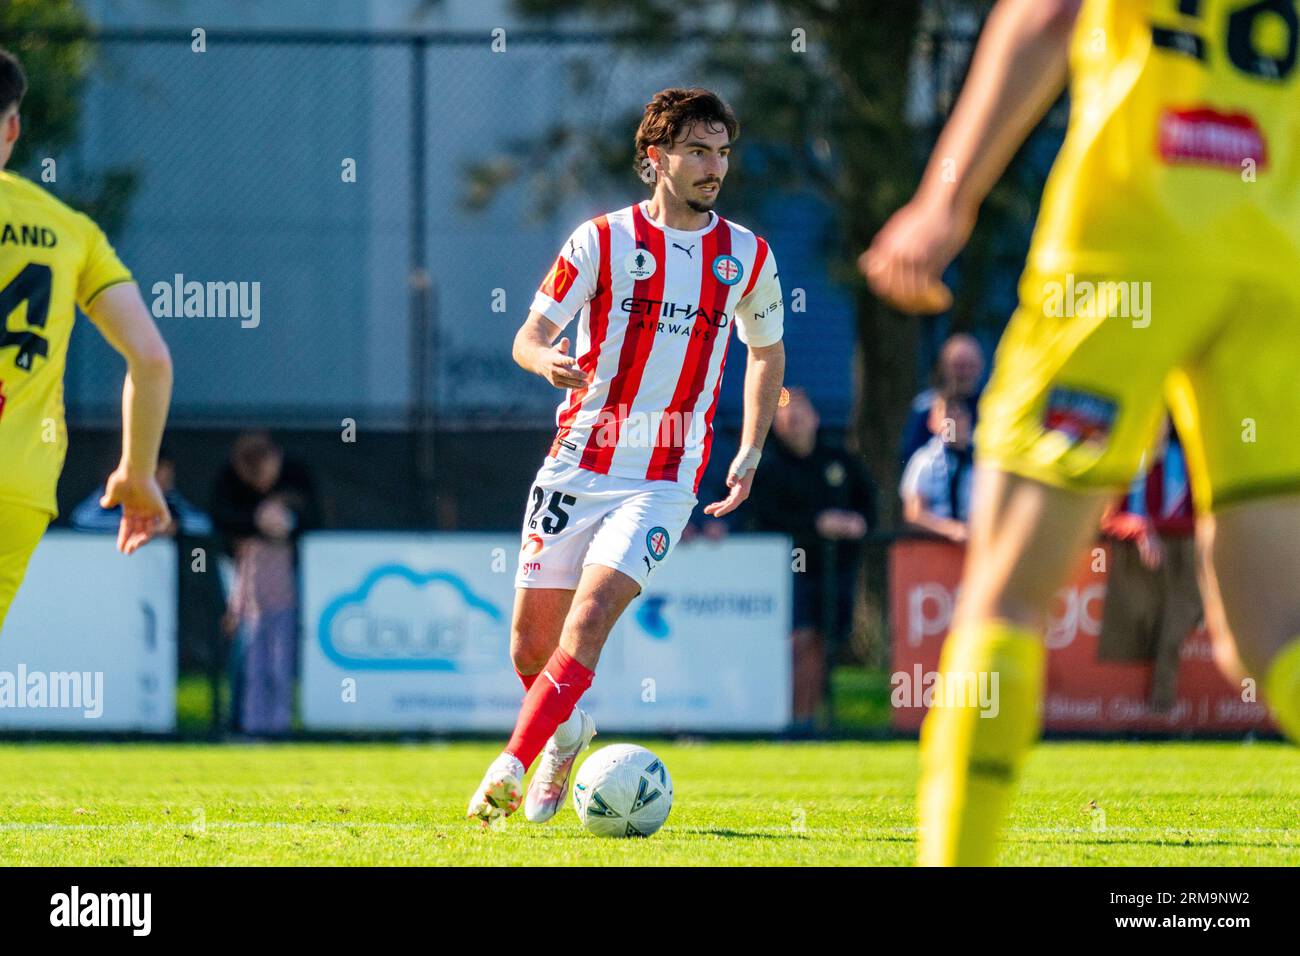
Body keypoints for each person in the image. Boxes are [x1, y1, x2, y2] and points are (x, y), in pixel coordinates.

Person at [863, 0, 1300, 865]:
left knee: (1007, 600)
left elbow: (1049, 11)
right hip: (1274, 256)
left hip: (1124, 247)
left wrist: (943, 199)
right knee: (1278, 637)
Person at [467, 87, 786, 825]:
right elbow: (528, 335)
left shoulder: (747, 255)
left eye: (723, 152)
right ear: (656, 159)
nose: (715, 166)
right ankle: (566, 732)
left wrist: (750, 448)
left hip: (665, 476)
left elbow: (767, 353)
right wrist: (543, 359)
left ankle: (511, 766)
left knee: (590, 619)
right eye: (699, 151)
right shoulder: (600, 241)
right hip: (577, 462)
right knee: (528, 648)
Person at [0, 48, 172, 633]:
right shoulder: (70, 230)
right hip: (16, 487)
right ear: (13, 126)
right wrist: (137, 471)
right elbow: (150, 359)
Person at [745, 387, 875, 731]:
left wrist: (857, 522)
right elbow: (764, 517)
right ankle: (783, 718)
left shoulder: (841, 460)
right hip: (788, 571)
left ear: (815, 419)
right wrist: (816, 523)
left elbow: (869, 505)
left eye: (800, 417)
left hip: (836, 571)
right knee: (797, 640)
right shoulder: (770, 469)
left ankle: (808, 720)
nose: (794, 425)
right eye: (786, 420)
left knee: (821, 642)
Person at [211, 431, 319, 736]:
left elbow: (315, 518)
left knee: (280, 667)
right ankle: (247, 723)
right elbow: (221, 520)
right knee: (251, 665)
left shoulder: (297, 476)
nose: (259, 486)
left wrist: (285, 525)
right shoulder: (231, 482)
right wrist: (235, 610)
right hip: (252, 608)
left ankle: (279, 724)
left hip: (283, 606)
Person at [1097, 421, 1201, 713]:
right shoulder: (1126, 463)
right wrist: (1140, 530)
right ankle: (1151, 707)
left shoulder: (1187, 462)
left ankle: (1161, 703)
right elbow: (1107, 517)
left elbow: (1204, 516)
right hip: (1137, 555)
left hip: (1184, 551)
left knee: (1184, 608)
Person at [71, 447, 212, 536]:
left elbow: (203, 524)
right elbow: (81, 520)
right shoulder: (117, 495)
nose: (164, 487)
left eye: (168, 480)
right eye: (159, 480)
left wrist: (176, 526)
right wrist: (134, 526)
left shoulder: (172, 499)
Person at [898, 333, 984, 468]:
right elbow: (908, 456)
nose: (964, 374)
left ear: (980, 367)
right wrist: (941, 446)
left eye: (970, 366)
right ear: (944, 367)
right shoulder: (926, 406)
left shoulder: (990, 409)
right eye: (958, 366)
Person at [900, 391, 974, 543]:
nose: (953, 423)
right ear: (932, 422)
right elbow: (914, 514)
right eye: (947, 415)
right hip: (936, 550)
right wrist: (951, 529)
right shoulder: (924, 461)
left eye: (959, 415)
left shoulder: (984, 462)